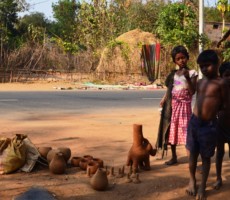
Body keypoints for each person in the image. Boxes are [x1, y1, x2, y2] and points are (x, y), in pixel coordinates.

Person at [186, 50, 227, 199]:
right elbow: (193, 93)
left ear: (217, 65)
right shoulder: (200, 81)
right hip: (194, 122)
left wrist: (216, 110)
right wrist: (188, 80)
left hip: (209, 125)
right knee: (192, 154)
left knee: (206, 157)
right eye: (201, 67)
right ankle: (192, 180)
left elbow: (225, 103)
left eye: (207, 66)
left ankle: (202, 187)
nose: (204, 69)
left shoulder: (221, 83)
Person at [156, 45, 197, 164]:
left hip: (185, 108)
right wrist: (164, 98)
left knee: (187, 133)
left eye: (183, 58)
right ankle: (174, 157)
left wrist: (187, 78)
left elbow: (192, 91)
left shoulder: (192, 73)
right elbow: (170, 89)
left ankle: (191, 161)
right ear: (175, 61)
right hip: (173, 106)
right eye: (178, 59)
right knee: (172, 131)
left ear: (187, 58)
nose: (181, 61)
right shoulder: (174, 74)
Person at [213, 62, 230, 190]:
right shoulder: (218, 91)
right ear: (221, 76)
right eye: (227, 75)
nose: (229, 78)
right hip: (220, 126)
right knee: (219, 153)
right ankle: (218, 178)